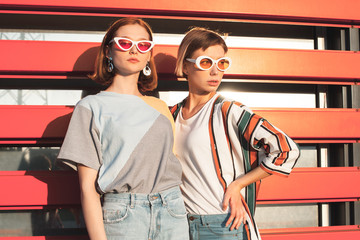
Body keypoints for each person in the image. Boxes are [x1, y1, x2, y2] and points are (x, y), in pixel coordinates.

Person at [57, 17, 189, 240]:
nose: (134, 50)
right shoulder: (90, 108)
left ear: (148, 55)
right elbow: (87, 189)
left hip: (172, 210)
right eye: (125, 43)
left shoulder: (161, 108)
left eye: (143, 45)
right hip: (124, 215)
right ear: (108, 51)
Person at [170, 27, 300, 240]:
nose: (215, 71)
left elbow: (286, 149)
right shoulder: (171, 115)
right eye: (205, 62)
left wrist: (239, 184)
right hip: (181, 226)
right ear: (185, 65)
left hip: (223, 224)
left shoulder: (229, 111)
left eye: (221, 63)